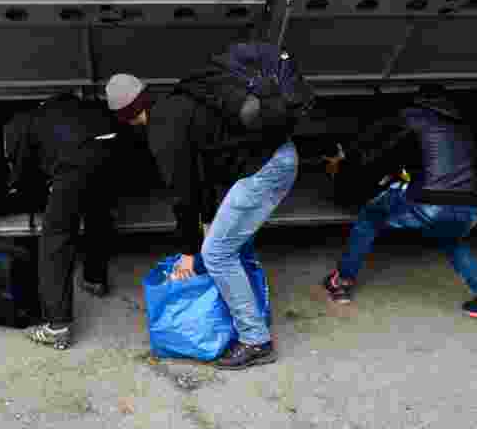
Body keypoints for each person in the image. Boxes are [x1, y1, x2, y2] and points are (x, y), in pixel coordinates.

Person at [105, 72, 298, 370]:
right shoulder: (178, 103)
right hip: (277, 156)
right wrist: (206, 222)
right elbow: (201, 176)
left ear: (125, 116)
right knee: (225, 244)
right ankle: (251, 312)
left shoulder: (162, 131)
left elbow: (182, 194)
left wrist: (188, 251)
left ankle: (256, 340)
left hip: (266, 168)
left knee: (217, 254)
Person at [322, 85, 477, 323]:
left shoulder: (413, 117)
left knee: (369, 217)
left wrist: (344, 166)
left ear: (420, 101)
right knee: (451, 240)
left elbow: (380, 154)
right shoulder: (463, 124)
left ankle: (341, 282)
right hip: (473, 205)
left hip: (431, 200)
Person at [22, 92, 129, 350]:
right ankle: (95, 279)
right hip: (109, 156)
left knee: (55, 240)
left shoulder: (32, 119)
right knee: (98, 213)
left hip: (73, 166)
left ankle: (57, 326)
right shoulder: (85, 107)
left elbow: (26, 169)